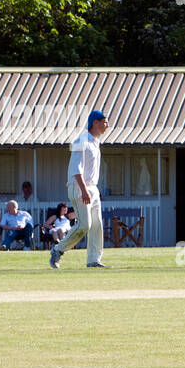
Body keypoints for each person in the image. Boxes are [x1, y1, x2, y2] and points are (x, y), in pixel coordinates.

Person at [50, 109, 110, 269]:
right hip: (79, 187)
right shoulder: (80, 141)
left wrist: (92, 190)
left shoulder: (96, 142)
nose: (107, 125)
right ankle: (58, 249)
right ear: (95, 123)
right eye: (104, 121)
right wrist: (84, 190)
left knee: (97, 225)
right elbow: (76, 170)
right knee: (85, 225)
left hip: (93, 188)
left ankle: (93, 260)